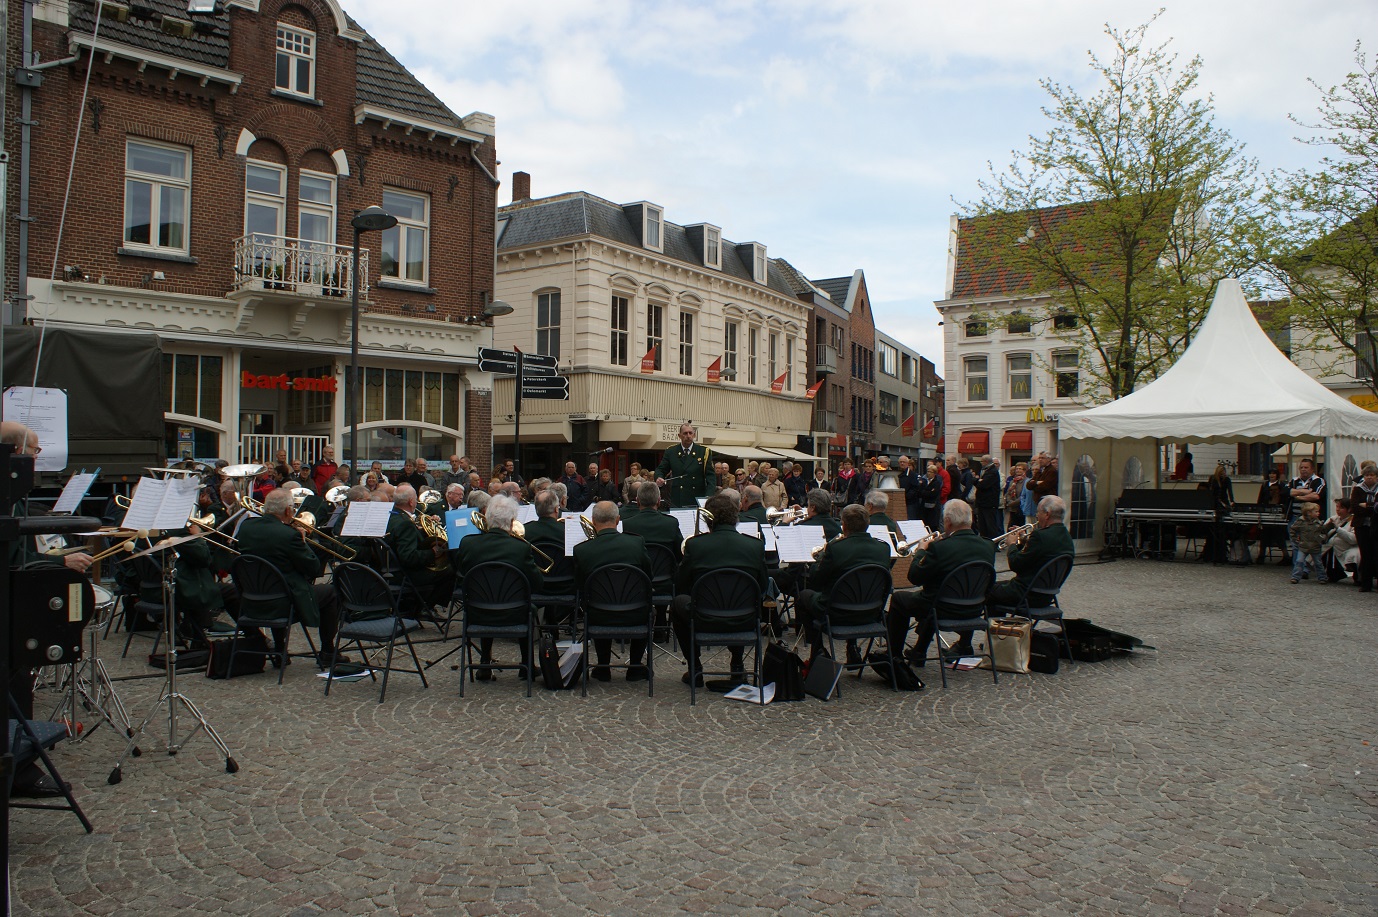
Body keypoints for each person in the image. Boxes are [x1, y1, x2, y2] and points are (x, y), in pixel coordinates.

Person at [234, 487, 344, 668]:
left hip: (250, 600)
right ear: (287, 510)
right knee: (330, 592)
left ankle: (280, 649)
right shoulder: (289, 535)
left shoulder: (246, 528)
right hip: (283, 603)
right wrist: (302, 541)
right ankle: (328, 650)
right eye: (293, 509)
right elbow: (313, 567)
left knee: (279, 582)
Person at [670, 495, 766, 686]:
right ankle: (737, 665)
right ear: (736, 516)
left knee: (677, 603)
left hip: (704, 616)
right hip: (745, 618)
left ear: (708, 519)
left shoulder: (696, 545)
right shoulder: (754, 545)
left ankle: (695, 667)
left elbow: (681, 584)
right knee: (739, 598)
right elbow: (762, 586)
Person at [886, 499, 996, 666]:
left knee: (899, 599)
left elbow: (914, 577)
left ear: (948, 521)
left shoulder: (941, 548)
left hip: (941, 608)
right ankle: (919, 651)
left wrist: (921, 551)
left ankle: (894, 656)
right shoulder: (988, 546)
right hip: (974, 607)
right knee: (935, 592)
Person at [452, 495, 544, 677]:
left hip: (476, 611)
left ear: (487, 518)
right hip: (515, 612)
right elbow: (536, 584)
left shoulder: (468, 543)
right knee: (528, 605)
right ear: (511, 521)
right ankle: (527, 665)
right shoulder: (520, 547)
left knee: (487, 596)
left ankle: (484, 662)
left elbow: (461, 575)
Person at [797, 504, 894, 663]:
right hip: (871, 613)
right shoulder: (883, 548)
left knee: (804, 595)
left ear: (844, 525)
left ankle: (818, 651)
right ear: (868, 524)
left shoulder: (836, 548)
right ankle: (852, 647)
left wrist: (822, 556)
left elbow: (816, 578)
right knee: (855, 591)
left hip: (835, 613)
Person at [574, 501, 653, 682]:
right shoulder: (636, 543)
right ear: (618, 520)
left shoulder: (582, 550)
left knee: (595, 600)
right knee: (649, 610)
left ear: (593, 521)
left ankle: (603, 666)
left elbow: (579, 586)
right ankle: (635, 666)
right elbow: (648, 576)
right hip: (636, 613)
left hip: (598, 614)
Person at [988, 495, 1075, 608]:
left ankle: (994, 619)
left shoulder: (1039, 535)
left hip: (1026, 594)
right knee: (996, 586)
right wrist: (1023, 540)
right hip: (1047, 595)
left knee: (986, 588)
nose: (1037, 515)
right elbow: (1036, 555)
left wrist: (1012, 544)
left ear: (1047, 514)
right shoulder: (1067, 537)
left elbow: (1016, 565)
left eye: (1038, 512)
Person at [384, 484, 455, 611]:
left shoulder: (392, 516)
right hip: (405, 574)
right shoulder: (405, 523)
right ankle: (424, 608)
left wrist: (421, 531)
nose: (417, 502)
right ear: (411, 502)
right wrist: (432, 553)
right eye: (416, 499)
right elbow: (409, 557)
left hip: (390, 569)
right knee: (451, 570)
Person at [655, 423, 714, 508]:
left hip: (697, 497)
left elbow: (710, 477)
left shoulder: (703, 452)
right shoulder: (671, 451)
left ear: (694, 435)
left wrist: (709, 496)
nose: (688, 436)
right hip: (678, 498)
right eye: (685, 433)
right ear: (679, 436)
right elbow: (661, 469)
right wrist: (659, 477)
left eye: (690, 433)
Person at [622, 482, 683, 559]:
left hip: (638, 566)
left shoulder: (626, 525)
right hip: (665, 566)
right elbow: (680, 553)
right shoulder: (671, 523)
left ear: (637, 501)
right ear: (659, 501)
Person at [1348, 462, 1378, 591]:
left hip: (1376, 526)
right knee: (1365, 555)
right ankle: (1366, 583)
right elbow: (1354, 507)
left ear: (1376, 476)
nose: (1369, 477)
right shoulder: (1358, 488)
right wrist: (1372, 507)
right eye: (1366, 475)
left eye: (1372, 475)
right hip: (1362, 526)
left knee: (1376, 554)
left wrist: (1366, 505)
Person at [1321, 498, 1359, 583]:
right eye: (1337, 507)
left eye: (1341, 507)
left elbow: (1353, 539)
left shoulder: (1354, 521)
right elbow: (1323, 536)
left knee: (1353, 556)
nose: (1337, 509)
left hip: (1348, 548)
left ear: (1349, 509)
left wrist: (1338, 529)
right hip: (1332, 548)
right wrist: (1324, 530)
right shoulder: (1333, 519)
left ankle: (1357, 575)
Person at [1289, 502, 1327, 585]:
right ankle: (1295, 577)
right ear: (1309, 513)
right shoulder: (1300, 521)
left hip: (1315, 546)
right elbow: (1292, 529)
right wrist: (1295, 539)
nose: (1318, 513)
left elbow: (1323, 531)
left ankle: (1322, 577)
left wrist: (1322, 539)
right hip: (1303, 545)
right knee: (1299, 561)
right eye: (1316, 511)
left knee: (1318, 563)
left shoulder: (1318, 523)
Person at [1287, 458, 1325, 522]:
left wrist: (1297, 497)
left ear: (1312, 469)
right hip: (1294, 517)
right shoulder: (1294, 481)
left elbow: (1315, 496)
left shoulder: (1318, 481)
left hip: (1311, 518)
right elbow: (1286, 491)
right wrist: (1304, 491)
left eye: (1306, 467)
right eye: (1301, 467)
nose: (1303, 469)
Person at [974, 454, 1001, 537]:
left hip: (989, 503)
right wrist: (979, 480)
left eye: (981, 461)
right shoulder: (984, 470)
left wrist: (976, 480)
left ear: (986, 462)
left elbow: (983, 484)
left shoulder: (992, 471)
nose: (981, 463)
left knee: (990, 526)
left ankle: (993, 542)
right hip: (983, 503)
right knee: (982, 526)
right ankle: (984, 540)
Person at [1004, 462, 1028, 529]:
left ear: (1024, 470)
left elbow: (1024, 495)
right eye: (1016, 469)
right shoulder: (1013, 481)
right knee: (1011, 528)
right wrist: (1009, 501)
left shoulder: (1026, 481)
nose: (1018, 470)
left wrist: (1014, 503)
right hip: (1012, 509)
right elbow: (1008, 493)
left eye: (1020, 469)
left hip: (1021, 508)